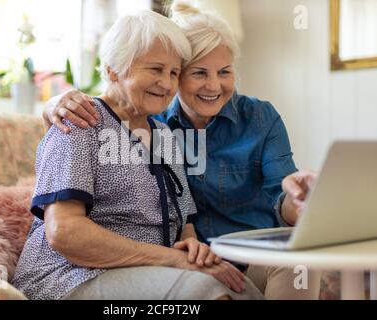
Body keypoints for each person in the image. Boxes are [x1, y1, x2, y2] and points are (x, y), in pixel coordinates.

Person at [43, 1, 321, 299]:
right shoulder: (106, 119)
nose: (213, 85)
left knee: (270, 276)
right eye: (198, 73)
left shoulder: (163, 134)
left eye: (224, 71)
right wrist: (51, 107)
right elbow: (64, 226)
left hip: (204, 262)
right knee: (213, 290)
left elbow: (185, 221)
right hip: (103, 273)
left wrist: (302, 200)